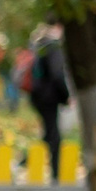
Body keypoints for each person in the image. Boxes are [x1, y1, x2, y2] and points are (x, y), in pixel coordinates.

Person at [26, 26, 71, 164]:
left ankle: (29, 161)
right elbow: (57, 75)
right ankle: (54, 169)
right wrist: (65, 96)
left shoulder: (37, 47)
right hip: (50, 97)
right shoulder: (53, 48)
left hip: (37, 96)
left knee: (48, 132)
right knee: (53, 133)